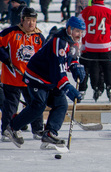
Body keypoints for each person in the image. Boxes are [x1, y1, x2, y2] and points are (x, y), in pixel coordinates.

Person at [3, 16, 86, 148]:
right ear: (69, 29)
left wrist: (75, 66)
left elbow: (71, 60)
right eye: (77, 31)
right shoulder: (59, 42)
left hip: (51, 79)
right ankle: (12, 127)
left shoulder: (74, 43)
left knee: (61, 104)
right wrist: (68, 88)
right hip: (37, 76)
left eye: (82, 32)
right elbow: (58, 72)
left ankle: (50, 133)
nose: (80, 35)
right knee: (39, 105)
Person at [0, 7, 45, 142]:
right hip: (12, 77)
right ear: (22, 20)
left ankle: (37, 129)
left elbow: (45, 56)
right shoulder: (11, 32)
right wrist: (5, 57)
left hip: (31, 78)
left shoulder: (39, 37)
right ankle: (7, 129)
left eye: (34, 20)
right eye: (28, 20)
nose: (31, 23)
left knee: (35, 104)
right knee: (11, 105)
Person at [79, 0, 111, 102]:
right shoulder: (108, 11)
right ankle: (110, 88)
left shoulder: (87, 10)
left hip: (91, 45)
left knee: (94, 67)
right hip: (105, 45)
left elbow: (79, 23)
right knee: (107, 67)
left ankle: (96, 88)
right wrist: (108, 34)